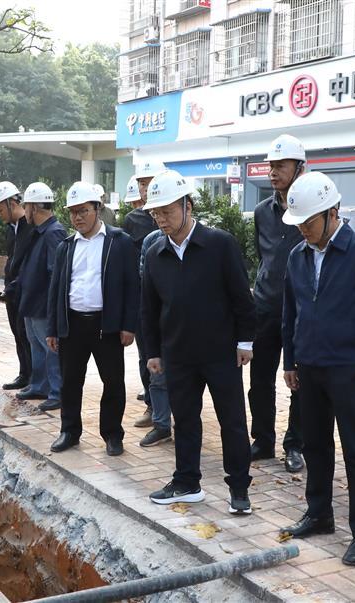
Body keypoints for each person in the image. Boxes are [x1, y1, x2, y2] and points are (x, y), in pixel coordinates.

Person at [279, 171, 355, 566]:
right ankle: (319, 513)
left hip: (348, 368)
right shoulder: (298, 255)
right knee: (315, 444)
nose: (303, 230)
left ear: (332, 212)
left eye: (309, 222)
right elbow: (290, 311)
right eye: (298, 223)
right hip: (309, 366)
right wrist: (289, 361)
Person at [141, 169, 256, 513]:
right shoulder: (155, 253)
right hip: (178, 353)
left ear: (187, 205)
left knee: (232, 421)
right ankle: (187, 482)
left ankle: (239, 488)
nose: (162, 219)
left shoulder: (219, 244)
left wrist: (245, 341)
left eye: (167, 211)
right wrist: (153, 352)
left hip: (221, 352)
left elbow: (241, 296)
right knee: (186, 420)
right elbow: (148, 309)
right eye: (156, 213)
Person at [46, 181, 139, 456]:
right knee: (70, 382)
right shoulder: (66, 246)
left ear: (97, 209)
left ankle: (112, 434)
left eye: (83, 211)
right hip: (72, 324)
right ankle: (69, 431)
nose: (77, 217)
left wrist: (129, 325)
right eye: (73, 212)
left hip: (106, 326)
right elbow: (56, 289)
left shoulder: (119, 242)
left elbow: (133, 286)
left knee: (113, 382)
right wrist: (53, 328)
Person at [249, 134, 307, 473]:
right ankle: (262, 440)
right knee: (260, 379)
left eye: (281, 166)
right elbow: (264, 257)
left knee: (299, 381)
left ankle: (295, 445)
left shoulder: (311, 211)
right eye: (271, 166)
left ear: (300, 168)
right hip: (266, 307)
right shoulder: (261, 212)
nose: (273, 172)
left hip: (301, 312)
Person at [17, 182, 67, 410]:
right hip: (32, 302)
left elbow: (56, 273)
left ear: (34, 207)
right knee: (36, 346)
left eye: (26, 206)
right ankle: (39, 386)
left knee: (51, 349)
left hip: (42, 304)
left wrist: (51, 307)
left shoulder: (53, 232)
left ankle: (57, 392)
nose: (24, 211)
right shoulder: (40, 231)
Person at [123, 162, 165, 428]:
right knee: (147, 355)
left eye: (150, 182)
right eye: (142, 183)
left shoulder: (174, 213)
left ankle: (174, 410)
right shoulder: (133, 220)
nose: (145, 188)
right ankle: (152, 406)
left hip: (171, 300)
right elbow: (128, 263)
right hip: (143, 300)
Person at [0, 181, 33, 391]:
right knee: (17, 333)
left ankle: (35, 377)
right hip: (12, 291)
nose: (0, 214)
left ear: (11, 203)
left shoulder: (30, 228)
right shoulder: (10, 230)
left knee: (27, 334)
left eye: (0, 209)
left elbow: (29, 264)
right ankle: (24, 374)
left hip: (26, 291)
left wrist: (16, 286)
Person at [137, 227, 171, 447]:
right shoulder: (151, 242)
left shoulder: (207, 240)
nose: (161, 218)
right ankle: (161, 425)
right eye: (157, 213)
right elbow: (145, 280)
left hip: (189, 326)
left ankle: (187, 423)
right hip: (158, 319)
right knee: (157, 375)